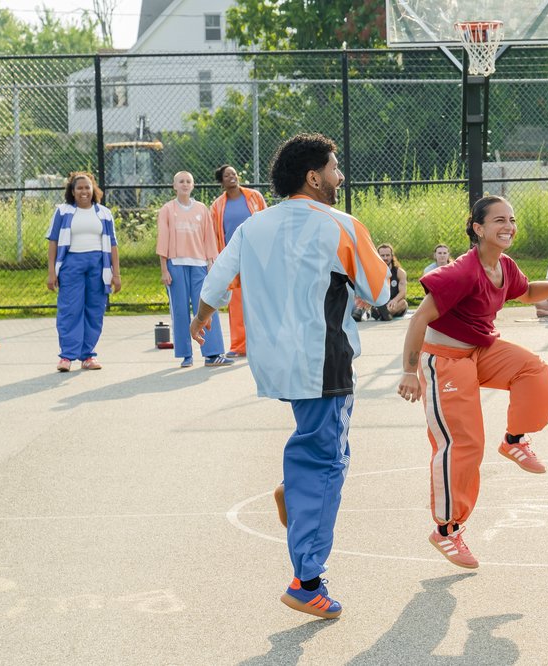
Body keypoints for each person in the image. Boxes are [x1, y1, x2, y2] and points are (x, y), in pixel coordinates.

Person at [190, 133, 390, 620]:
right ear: (314, 176)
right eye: (335, 168)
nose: (340, 176)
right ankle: (307, 582)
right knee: (327, 463)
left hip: (273, 362)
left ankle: (291, 491)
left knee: (314, 447)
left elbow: (215, 284)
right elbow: (381, 294)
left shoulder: (254, 227)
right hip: (323, 362)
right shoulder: (341, 225)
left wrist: (199, 320)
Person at [396, 195, 548, 569]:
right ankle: (447, 529)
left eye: (512, 219)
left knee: (534, 372)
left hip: (480, 351)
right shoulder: (461, 272)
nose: (509, 226)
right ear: (478, 228)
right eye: (499, 220)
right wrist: (409, 371)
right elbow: (419, 317)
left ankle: (515, 440)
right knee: (464, 443)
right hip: (446, 360)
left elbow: (526, 292)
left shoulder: (504, 266)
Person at [45, 172, 121, 372]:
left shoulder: (104, 213)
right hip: (71, 266)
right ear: (72, 191)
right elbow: (53, 242)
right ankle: (67, 357)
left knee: (94, 311)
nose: (84, 191)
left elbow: (113, 245)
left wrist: (116, 274)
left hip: (98, 265)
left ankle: (88, 356)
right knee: (70, 309)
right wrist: (51, 272)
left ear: (93, 189)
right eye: (79, 188)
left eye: (87, 187)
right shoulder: (63, 212)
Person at [156, 171, 232, 368]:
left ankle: (213, 353)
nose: (185, 184)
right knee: (180, 311)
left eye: (188, 181)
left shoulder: (201, 209)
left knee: (206, 308)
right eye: (181, 181)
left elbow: (209, 239)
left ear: (193, 185)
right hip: (176, 265)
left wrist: (210, 264)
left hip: (199, 265)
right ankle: (185, 354)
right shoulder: (167, 209)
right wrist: (164, 269)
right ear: (174, 186)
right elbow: (163, 240)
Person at [210, 164, 268, 357]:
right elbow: (215, 234)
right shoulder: (217, 205)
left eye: (234, 174)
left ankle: (262, 343)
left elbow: (266, 220)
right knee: (236, 304)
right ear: (222, 181)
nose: (232, 177)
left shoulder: (254, 197)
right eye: (227, 175)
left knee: (259, 300)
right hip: (233, 258)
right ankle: (238, 346)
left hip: (256, 255)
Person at [373, 243, 408, 320]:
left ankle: (385, 313)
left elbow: (403, 292)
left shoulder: (399, 272)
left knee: (403, 303)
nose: (385, 258)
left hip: (395, 302)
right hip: (380, 303)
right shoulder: (373, 272)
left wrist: (394, 300)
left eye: (388, 255)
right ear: (378, 256)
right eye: (382, 255)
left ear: (392, 256)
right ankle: (383, 313)